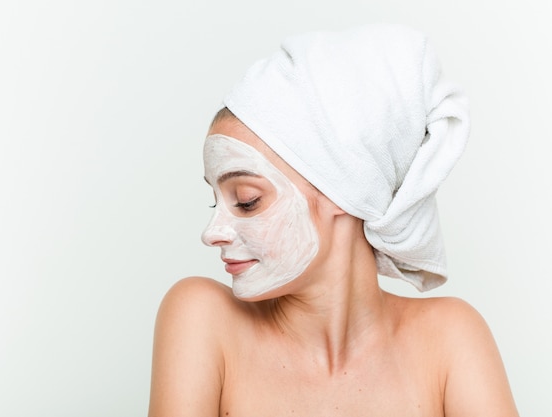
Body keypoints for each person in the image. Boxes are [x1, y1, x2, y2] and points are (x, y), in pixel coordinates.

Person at [148, 24, 518, 416]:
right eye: (215, 203)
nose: (212, 233)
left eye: (247, 201)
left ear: (345, 190)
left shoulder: (450, 340)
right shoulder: (202, 318)